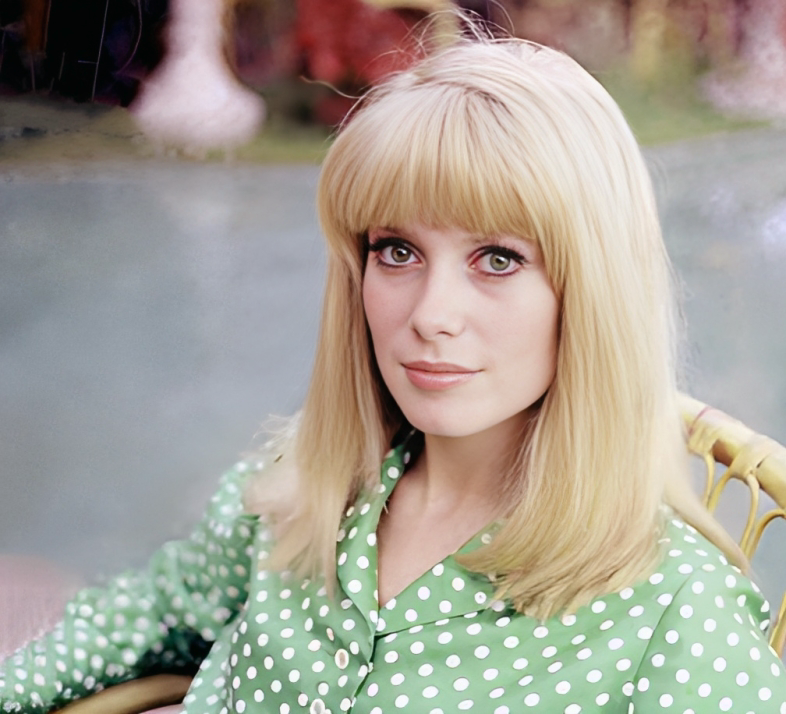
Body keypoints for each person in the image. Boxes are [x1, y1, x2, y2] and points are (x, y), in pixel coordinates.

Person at [2, 31, 786, 714]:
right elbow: (152, 614)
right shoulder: (305, 489)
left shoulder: (678, 619)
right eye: (397, 250)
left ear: (592, 294)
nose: (431, 314)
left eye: (498, 258)